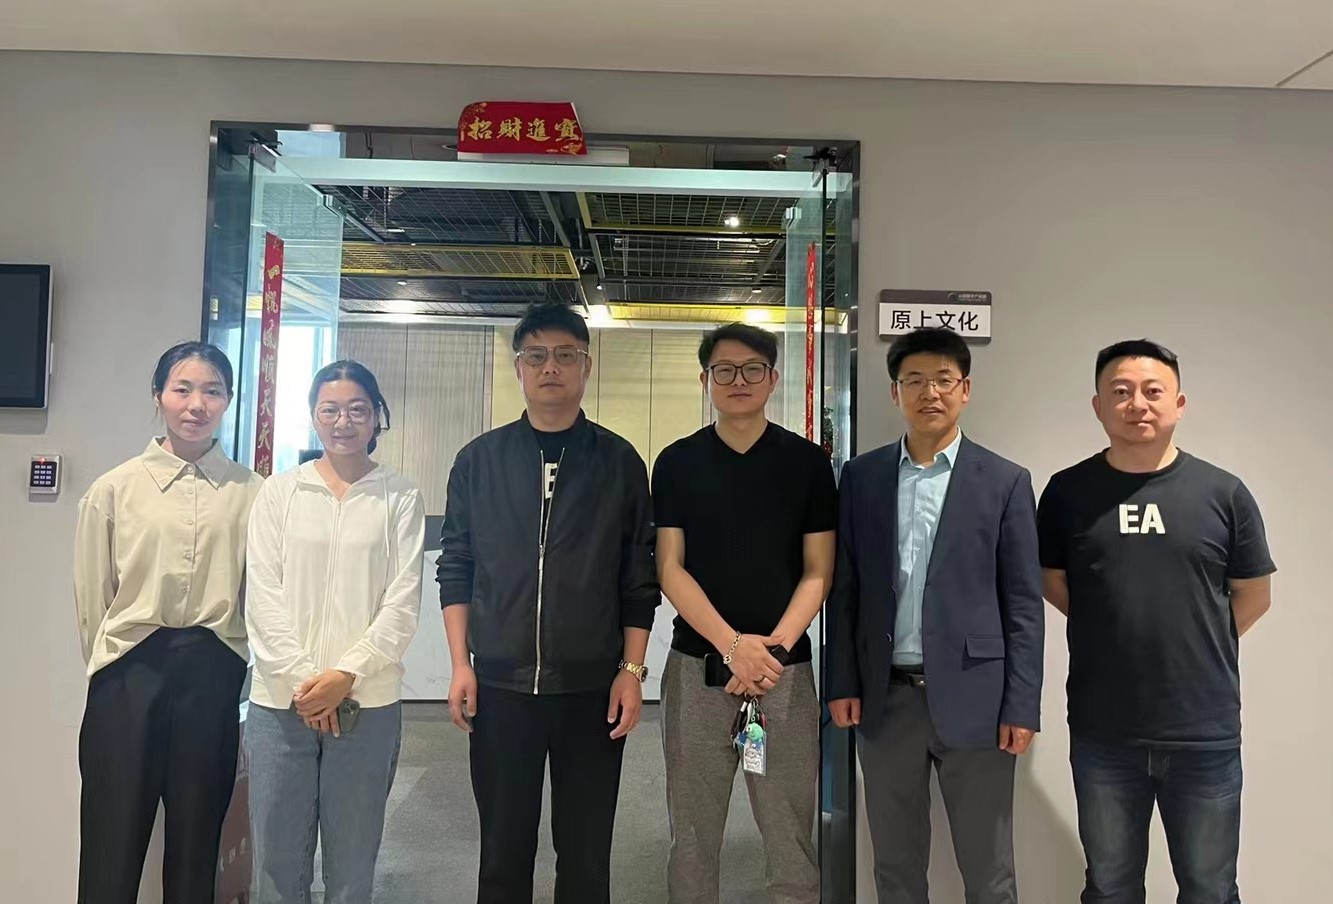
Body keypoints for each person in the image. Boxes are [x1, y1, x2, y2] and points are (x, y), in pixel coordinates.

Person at [437, 302, 659, 904]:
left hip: (591, 689)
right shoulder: (479, 460)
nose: (550, 367)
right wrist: (460, 664)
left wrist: (631, 671)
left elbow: (638, 580)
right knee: (502, 851)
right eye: (536, 356)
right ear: (519, 368)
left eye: (565, 355)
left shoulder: (619, 462)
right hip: (501, 687)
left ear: (586, 366)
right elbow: (456, 565)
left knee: (586, 854)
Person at [1038, 339, 1274, 904]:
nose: (1137, 404)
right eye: (1121, 391)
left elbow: (1254, 594)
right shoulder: (1068, 492)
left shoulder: (1224, 493)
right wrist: (1112, 626)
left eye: (1152, 391)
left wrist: (1193, 640)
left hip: (1204, 732)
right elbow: (1052, 580)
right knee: (1110, 887)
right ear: (1098, 405)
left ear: (1179, 403)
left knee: (1210, 889)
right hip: (1103, 731)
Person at [826, 327, 1044, 904]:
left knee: (989, 870)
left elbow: (1024, 605)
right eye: (915, 380)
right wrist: (843, 681)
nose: (930, 392)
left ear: (965, 389)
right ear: (895, 392)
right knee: (895, 866)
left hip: (979, 699)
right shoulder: (862, 478)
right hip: (885, 698)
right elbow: (846, 590)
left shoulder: (1005, 481)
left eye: (944, 380)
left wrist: (1022, 704)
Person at [652, 322, 836, 904]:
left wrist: (769, 652)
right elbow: (670, 568)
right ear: (705, 379)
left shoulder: (807, 464)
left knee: (790, 832)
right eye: (724, 370)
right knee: (692, 834)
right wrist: (734, 647)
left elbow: (818, 571)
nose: (739, 380)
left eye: (752, 368)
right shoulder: (677, 462)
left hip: (784, 673)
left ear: (772, 379)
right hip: (696, 670)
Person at [73, 341, 264, 904]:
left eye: (212, 391)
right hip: (128, 674)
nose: (196, 404)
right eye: (182, 389)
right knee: (110, 841)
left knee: (197, 844)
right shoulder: (114, 489)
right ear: (158, 395)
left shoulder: (252, 493)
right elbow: (93, 599)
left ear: (228, 400)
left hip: (212, 674)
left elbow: (257, 593)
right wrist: (114, 664)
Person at [244, 360, 426, 904]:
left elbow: (401, 602)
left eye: (357, 409)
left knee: (352, 865)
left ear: (376, 417)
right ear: (313, 416)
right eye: (330, 410)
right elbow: (262, 597)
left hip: (366, 704)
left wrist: (345, 675)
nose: (343, 421)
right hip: (282, 704)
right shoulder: (279, 493)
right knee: (276, 865)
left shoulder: (399, 496)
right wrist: (309, 684)